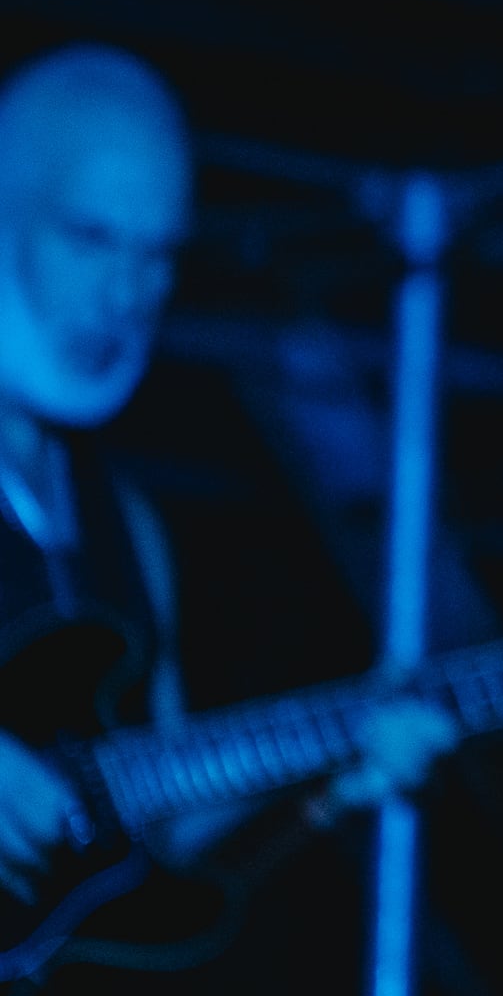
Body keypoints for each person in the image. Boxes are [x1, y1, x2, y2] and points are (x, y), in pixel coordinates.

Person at [0, 49, 447, 931]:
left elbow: (151, 839)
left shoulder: (125, 532)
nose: (125, 295)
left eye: (158, 256)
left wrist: (327, 780)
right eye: (88, 238)